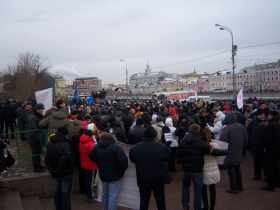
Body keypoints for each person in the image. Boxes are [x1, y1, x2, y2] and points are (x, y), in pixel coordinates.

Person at [177, 124, 225, 210]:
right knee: (198, 191)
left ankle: (185, 206)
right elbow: (214, 152)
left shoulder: (183, 140)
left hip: (186, 169)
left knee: (185, 188)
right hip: (197, 170)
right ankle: (197, 207)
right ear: (198, 131)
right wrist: (227, 151)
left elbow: (179, 154)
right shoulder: (200, 142)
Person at [129, 126, 171, 210]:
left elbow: (133, 159)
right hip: (158, 177)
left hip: (143, 177)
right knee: (160, 200)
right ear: (155, 136)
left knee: (144, 200)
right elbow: (168, 158)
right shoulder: (163, 148)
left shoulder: (135, 148)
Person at [89, 126, 128, 210]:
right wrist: (121, 170)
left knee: (105, 194)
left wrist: (99, 163)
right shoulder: (116, 148)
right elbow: (123, 162)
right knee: (113, 196)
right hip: (115, 175)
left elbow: (91, 156)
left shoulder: (97, 147)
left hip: (103, 173)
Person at [45, 126, 74, 210]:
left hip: (55, 173)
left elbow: (47, 160)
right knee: (65, 194)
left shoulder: (50, 144)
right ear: (65, 134)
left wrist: (52, 171)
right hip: (66, 173)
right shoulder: (66, 144)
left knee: (57, 192)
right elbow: (66, 159)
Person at [220, 112, 248, 194]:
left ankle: (234, 188)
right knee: (237, 168)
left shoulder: (227, 128)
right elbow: (246, 139)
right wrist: (243, 149)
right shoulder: (241, 126)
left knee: (231, 170)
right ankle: (240, 186)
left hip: (229, 151)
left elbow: (222, 141)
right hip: (239, 151)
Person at [25, 103, 46, 172]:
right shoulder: (33, 118)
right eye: (41, 109)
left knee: (37, 153)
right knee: (35, 153)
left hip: (36, 138)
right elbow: (34, 130)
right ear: (37, 110)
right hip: (34, 139)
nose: (42, 110)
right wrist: (39, 138)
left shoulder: (37, 116)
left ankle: (38, 165)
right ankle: (36, 167)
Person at [79, 128, 97, 201]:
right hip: (91, 165)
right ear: (90, 136)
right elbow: (95, 156)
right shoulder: (91, 145)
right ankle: (90, 196)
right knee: (91, 182)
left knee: (87, 180)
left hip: (84, 163)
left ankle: (88, 194)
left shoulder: (81, 142)